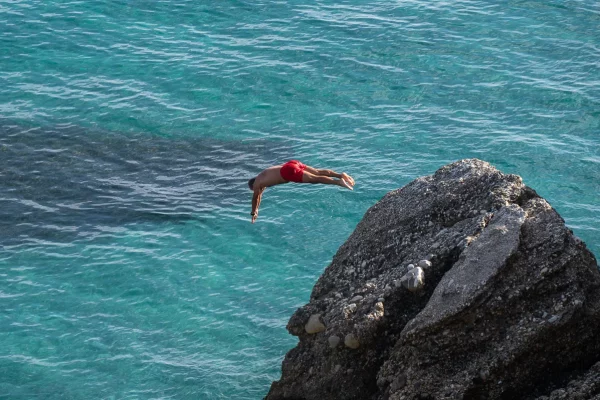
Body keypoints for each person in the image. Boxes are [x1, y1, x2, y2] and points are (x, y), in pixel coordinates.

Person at [247, 160, 355, 223]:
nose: (257, 190)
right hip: (291, 163)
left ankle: (338, 182)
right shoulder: (263, 176)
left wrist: (253, 212)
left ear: (252, 186)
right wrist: (257, 210)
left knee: (315, 179)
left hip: (287, 172)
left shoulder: (257, 183)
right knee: (317, 172)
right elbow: (259, 195)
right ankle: (340, 175)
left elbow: (255, 197)